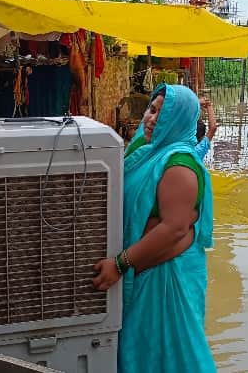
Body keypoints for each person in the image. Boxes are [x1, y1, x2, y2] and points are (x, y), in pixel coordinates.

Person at [92, 84, 216, 373]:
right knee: (142, 353)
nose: (151, 118)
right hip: (144, 267)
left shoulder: (180, 166)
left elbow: (174, 229)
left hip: (166, 277)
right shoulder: (147, 150)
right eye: (152, 108)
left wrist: (121, 264)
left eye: (163, 113)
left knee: (175, 355)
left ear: (178, 120)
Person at [194, 96, 218, 160]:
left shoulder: (176, 146)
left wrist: (196, 103)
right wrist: (209, 105)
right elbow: (213, 128)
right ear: (202, 138)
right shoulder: (199, 150)